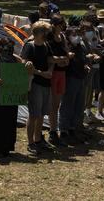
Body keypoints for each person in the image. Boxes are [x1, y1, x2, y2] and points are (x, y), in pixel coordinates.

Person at [21, 21, 54, 154]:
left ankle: (38, 139)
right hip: (35, 84)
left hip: (46, 83)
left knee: (41, 114)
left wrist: (50, 71)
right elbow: (25, 66)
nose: (47, 34)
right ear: (39, 33)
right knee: (34, 114)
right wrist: (42, 73)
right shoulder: (29, 46)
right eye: (45, 32)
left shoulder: (46, 45)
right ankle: (30, 143)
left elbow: (50, 60)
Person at [47, 14, 70, 147]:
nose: (63, 26)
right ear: (54, 25)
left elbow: (66, 51)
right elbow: (49, 56)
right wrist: (61, 59)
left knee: (57, 104)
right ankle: (52, 131)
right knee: (52, 105)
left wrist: (66, 57)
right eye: (61, 24)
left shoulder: (62, 37)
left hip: (62, 73)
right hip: (54, 73)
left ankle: (55, 130)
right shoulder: (49, 38)